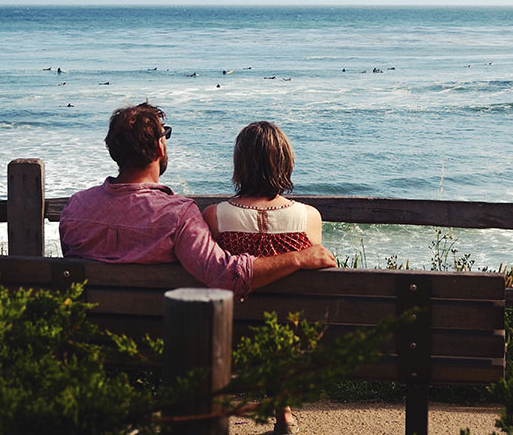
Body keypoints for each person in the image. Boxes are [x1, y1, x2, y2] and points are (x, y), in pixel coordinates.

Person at [59, 103, 335, 302]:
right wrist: (299, 257)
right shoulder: (179, 216)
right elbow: (226, 277)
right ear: (160, 147)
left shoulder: (75, 208)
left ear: (113, 150)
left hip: (88, 335)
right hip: (161, 337)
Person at [202, 121, 323, 435]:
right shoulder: (309, 217)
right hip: (291, 337)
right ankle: (283, 408)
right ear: (286, 161)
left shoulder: (215, 216)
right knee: (284, 320)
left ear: (239, 165)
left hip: (230, 333)